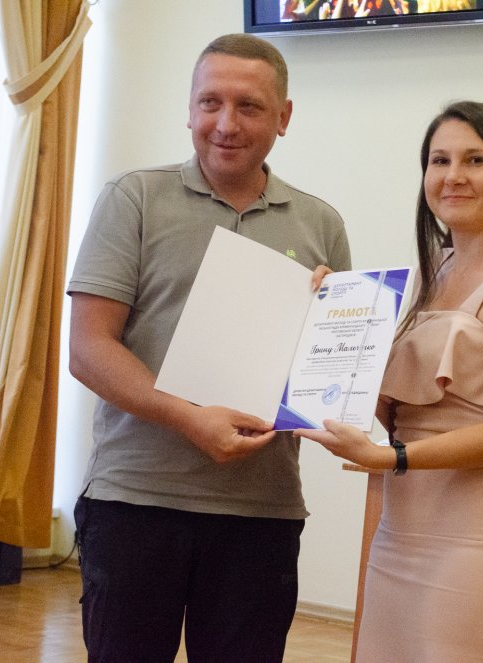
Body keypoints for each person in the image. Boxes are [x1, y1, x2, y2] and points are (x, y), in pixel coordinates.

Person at [66, 33, 351, 663]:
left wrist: (339, 323)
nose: (225, 123)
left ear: (284, 117)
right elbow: (88, 349)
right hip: (136, 500)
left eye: (249, 106)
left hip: (263, 511)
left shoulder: (321, 224)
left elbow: (327, 375)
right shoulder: (134, 197)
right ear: (189, 108)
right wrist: (188, 419)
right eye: (210, 102)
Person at [296, 101, 483, 662]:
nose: (453, 176)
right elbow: (400, 411)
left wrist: (388, 457)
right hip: (401, 531)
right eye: (439, 161)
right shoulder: (429, 271)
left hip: (480, 539)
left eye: (475, 160)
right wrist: (328, 318)